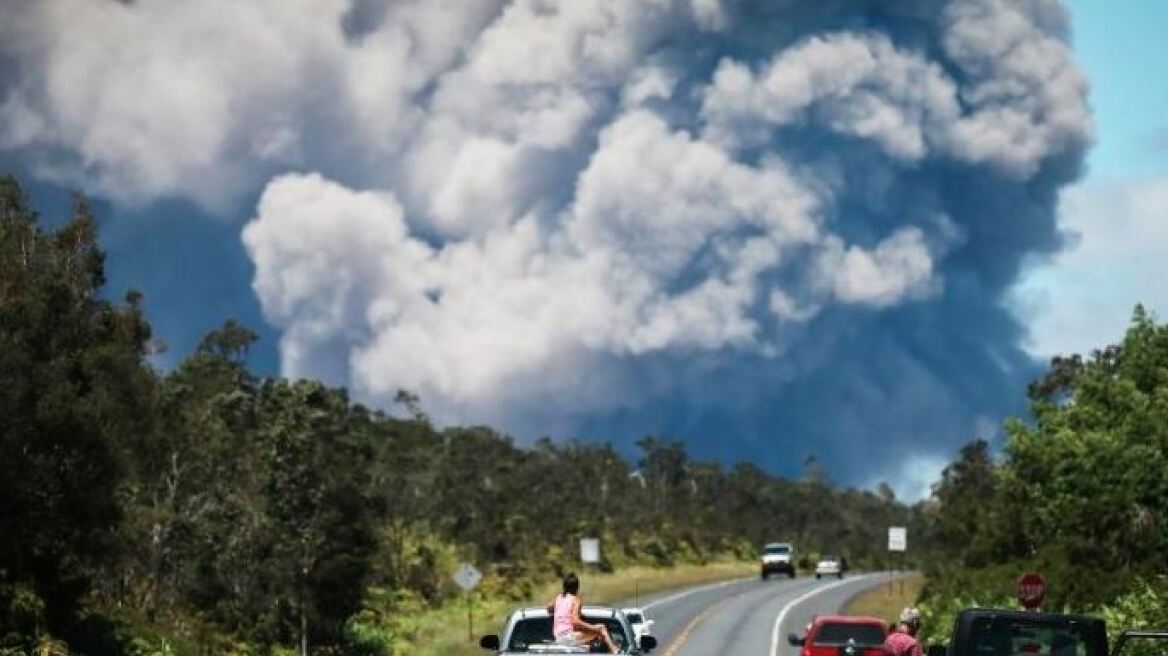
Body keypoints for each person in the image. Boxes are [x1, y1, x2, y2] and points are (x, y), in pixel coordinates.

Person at [548, 572, 618, 653]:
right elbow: (575, 621)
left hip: (558, 638)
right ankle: (614, 650)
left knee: (594, 633)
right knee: (601, 628)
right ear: (577, 588)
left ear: (564, 586)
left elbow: (549, 608)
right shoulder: (575, 600)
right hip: (569, 637)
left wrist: (559, 613)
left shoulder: (559, 598)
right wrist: (591, 627)